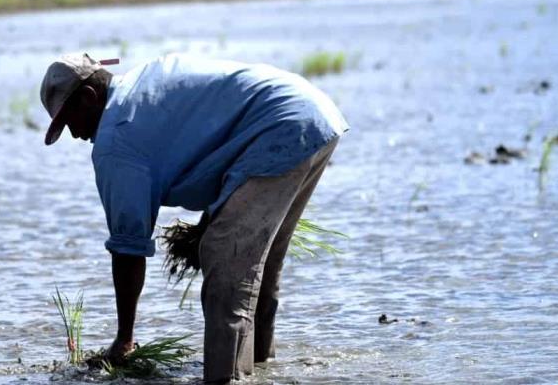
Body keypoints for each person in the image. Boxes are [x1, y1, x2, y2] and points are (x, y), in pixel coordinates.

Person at [40, 53, 348, 383]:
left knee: (224, 256)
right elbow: (217, 143)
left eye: (68, 121)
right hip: (312, 113)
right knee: (261, 261)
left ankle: (226, 378)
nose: (73, 135)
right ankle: (259, 366)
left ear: (88, 98)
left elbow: (128, 249)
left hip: (281, 125)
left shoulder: (117, 139)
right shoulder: (142, 86)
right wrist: (209, 219)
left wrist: (124, 340)